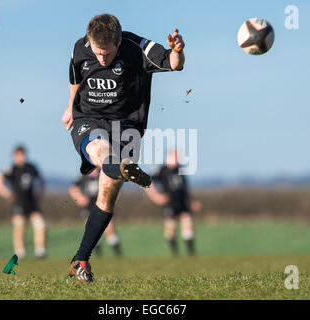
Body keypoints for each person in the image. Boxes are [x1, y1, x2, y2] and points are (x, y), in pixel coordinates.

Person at [62, 13, 185, 281]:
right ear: (89, 42)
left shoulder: (138, 48)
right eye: (97, 52)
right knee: (99, 149)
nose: (101, 59)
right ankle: (118, 166)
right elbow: (75, 75)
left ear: (118, 42)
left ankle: (80, 258)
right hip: (88, 118)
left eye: (106, 53)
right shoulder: (79, 48)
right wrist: (70, 105)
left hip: (128, 126)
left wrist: (177, 50)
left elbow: (174, 64)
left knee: (107, 192)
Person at [0, 145, 47, 259]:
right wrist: (6, 193)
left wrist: (40, 194)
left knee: (41, 225)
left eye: (23, 154)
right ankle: (20, 252)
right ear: (14, 156)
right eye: (19, 155)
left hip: (31, 202)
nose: (22, 157)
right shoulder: (11, 169)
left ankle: (40, 250)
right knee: (20, 226)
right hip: (18, 202)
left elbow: (41, 181)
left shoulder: (31, 167)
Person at [145, 150, 202, 256]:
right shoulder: (162, 171)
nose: (178, 158)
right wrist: (156, 196)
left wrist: (193, 200)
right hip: (169, 203)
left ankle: (191, 253)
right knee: (170, 230)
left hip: (182, 201)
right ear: (169, 157)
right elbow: (147, 181)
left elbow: (185, 188)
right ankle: (175, 254)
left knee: (188, 225)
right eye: (176, 156)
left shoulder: (180, 170)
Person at [69, 168, 122, 257]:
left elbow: (116, 185)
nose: (95, 171)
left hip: (103, 206)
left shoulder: (103, 176)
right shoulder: (82, 178)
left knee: (109, 228)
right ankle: (98, 256)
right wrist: (79, 198)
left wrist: (112, 199)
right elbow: (73, 188)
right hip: (88, 207)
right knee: (91, 229)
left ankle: (118, 254)